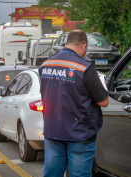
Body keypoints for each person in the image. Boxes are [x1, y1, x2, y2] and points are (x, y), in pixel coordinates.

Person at [39, 30, 109, 177]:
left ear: (66, 43)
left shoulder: (45, 65)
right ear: (84, 46)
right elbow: (104, 102)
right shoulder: (85, 68)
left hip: (52, 132)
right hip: (79, 134)